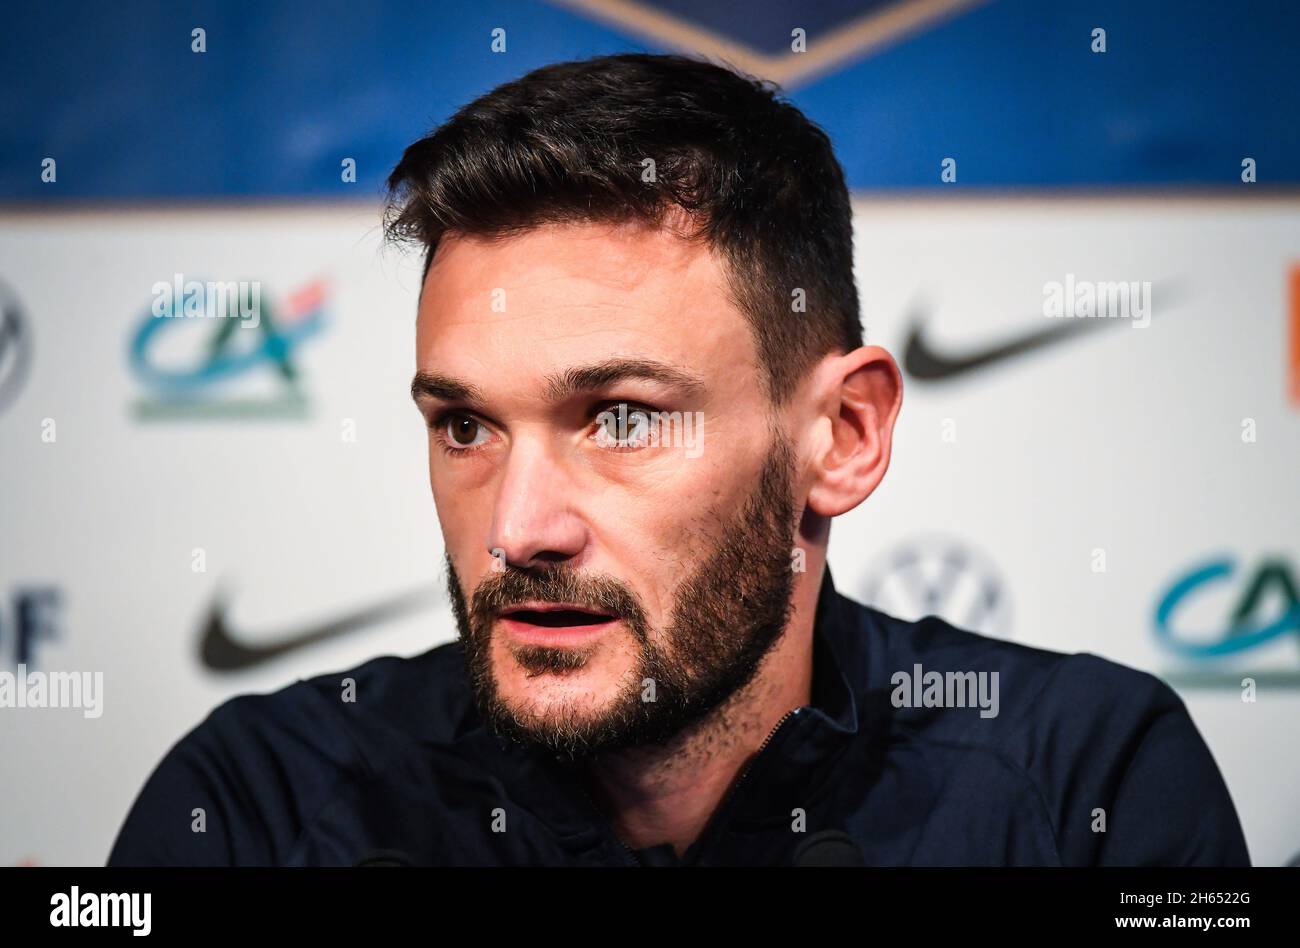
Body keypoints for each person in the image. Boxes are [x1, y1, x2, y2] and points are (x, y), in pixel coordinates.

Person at [108, 53, 1249, 866]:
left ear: (842, 435)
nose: (520, 526)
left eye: (619, 417)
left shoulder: (1085, 781)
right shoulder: (260, 801)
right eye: (467, 425)